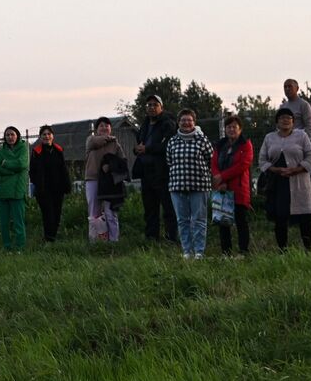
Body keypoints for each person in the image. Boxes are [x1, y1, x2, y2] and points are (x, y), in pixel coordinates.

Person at [258, 107, 311, 251]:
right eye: (282, 118)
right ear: (277, 122)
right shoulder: (269, 138)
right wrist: (275, 169)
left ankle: (308, 250)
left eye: (288, 118)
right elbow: (262, 160)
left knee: (304, 218)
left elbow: (310, 158)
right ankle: (282, 250)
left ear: (293, 122)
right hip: (278, 183)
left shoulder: (302, 137)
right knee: (280, 218)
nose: (285, 121)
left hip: (298, 183)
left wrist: (296, 169)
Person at [166, 108, 215, 259]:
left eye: (189, 120)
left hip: (199, 186)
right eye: (183, 120)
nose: (186, 123)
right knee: (182, 220)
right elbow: (169, 161)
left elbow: (211, 159)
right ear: (178, 122)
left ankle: (199, 251)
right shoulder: (172, 141)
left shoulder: (202, 140)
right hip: (177, 186)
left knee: (199, 220)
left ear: (194, 122)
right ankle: (187, 251)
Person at [133, 94, 179, 243]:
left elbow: (167, 146)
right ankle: (152, 238)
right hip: (146, 171)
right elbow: (140, 144)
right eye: (149, 105)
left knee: (168, 207)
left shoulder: (168, 123)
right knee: (150, 208)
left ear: (161, 107)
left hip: (162, 171)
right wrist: (138, 149)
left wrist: (147, 149)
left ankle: (171, 237)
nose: (152, 107)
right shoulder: (145, 124)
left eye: (155, 104)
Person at [210, 114, 253, 256]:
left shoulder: (245, 144)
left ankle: (243, 251)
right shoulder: (220, 145)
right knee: (223, 223)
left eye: (234, 127)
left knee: (241, 221)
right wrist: (219, 180)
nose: (231, 129)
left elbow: (243, 165)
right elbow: (214, 163)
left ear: (240, 129)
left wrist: (222, 177)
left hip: (239, 188)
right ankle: (226, 253)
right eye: (229, 127)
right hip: (221, 189)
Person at [84, 116, 123, 242]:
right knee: (94, 212)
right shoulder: (91, 140)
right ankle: (94, 240)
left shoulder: (115, 144)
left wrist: (110, 166)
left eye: (107, 125)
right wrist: (109, 138)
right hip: (93, 179)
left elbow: (122, 161)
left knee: (110, 212)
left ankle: (113, 240)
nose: (104, 128)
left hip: (109, 182)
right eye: (101, 125)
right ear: (96, 129)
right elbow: (96, 143)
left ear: (111, 128)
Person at [29, 125, 70, 243]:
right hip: (43, 190)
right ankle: (49, 238)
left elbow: (63, 169)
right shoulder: (36, 151)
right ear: (40, 137)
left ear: (52, 136)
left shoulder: (58, 150)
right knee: (48, 215)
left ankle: (53, 237)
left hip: (58, 188)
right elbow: (32, 171)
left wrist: (66, 185)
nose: (47, 136)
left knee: (57, 214)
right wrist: (37, 183)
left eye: (48, 134)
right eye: (44, 134)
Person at [0, 126, 29, 252]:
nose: (10, 137)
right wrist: (13, 171)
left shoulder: (23, 148)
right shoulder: (1, 150)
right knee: (4, 222)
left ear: (17, 135)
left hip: (17, 190)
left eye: (12, 134)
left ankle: (20, 246)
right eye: (7, 135)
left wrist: (6, 163)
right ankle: (7, 246)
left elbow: (22, 164)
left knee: (18, 221)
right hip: (2, 191)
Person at [281, 78, 311, 178]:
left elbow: (310, 127)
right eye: (285, 87)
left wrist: (298, 140)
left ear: (297, 88)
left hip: (301, 145)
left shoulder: (304, 105)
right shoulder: (283, 107)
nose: (287, 89)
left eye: (290, 86)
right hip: (284, 145)